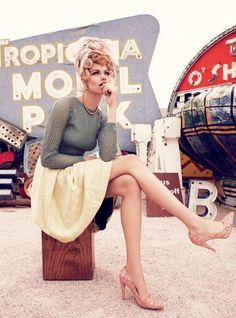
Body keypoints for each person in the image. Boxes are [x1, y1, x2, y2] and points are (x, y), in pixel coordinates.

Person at [31, 36, 234, 311]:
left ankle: (133, 272)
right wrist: (84, 160)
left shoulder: (101, 116)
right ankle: (195, 224)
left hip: (80, 175)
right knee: (133, 165)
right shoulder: (65, 106)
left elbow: (107, 155)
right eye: (95, 72)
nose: (102, 78)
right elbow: (49, 157)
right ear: (83, 76)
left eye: (106, 72)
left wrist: (112, 110)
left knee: (129, 183)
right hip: (56, 179)